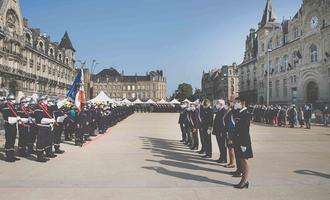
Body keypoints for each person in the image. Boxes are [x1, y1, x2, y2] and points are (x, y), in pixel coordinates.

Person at [233, 97, 253, 189]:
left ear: (242, 103)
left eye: (237, 102)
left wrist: (243, 144)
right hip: (239, 139)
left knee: (244, 161)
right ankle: (243, 180)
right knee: (241, 160)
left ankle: (244, 181)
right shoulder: (240, 113)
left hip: (243, 141)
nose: (235, 104)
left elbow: (245, 130)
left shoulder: (246, 114)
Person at [0, 94, 20, 162]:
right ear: (9, 100)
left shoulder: (12, 106)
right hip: (8, 125)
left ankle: (12, 155)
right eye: (13, 100)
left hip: (13, 125)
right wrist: (16, 118)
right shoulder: (5, 107)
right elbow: (8, 118)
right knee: (9, 140)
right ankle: (8, 156)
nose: (14, 101)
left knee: (13, 140)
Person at [212, 99, 227, 163]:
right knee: (220, 145)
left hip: (221, 132)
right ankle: (221, 157)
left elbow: (223, 123)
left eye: (218, 103)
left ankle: (224, 158)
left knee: (222, 145)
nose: (216, 104)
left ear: (221, 104)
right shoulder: (219, 110)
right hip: (217, 131)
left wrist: (221, 132)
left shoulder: (224, 111)